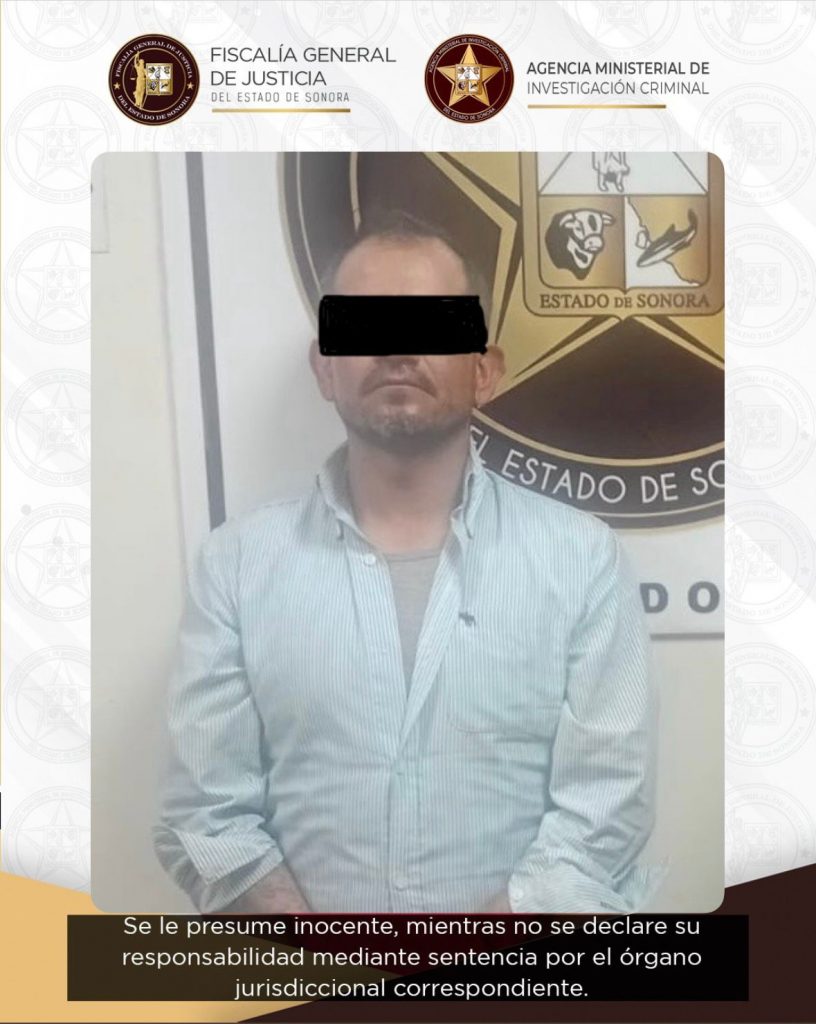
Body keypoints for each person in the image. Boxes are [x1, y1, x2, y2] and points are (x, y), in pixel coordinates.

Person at [154, 213, 661, 914]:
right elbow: (205, 815)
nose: (397, 350)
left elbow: (608, 807)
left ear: (484, 371)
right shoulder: (236, 567)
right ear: (326, 366)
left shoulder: (582, 559)